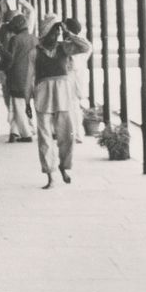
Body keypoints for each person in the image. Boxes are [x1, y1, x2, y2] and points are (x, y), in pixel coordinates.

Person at [33, 15, 92, 189]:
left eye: (58, 32)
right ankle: (50, 173)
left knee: (67, 135)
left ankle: (64, 166)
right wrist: (28, 97)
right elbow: (30, 76)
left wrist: (68, 33)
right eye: (53, 32)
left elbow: (86, 46)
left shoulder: (65, 47)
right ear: (44, 34)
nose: (55, 36)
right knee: (44, 138)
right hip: (43, 96)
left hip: (63, 97)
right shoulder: (35, 51)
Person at [2, 10, 36, 142]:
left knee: (17, 106)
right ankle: (14, 132)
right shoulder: (35, 39)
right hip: (32, 77)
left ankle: (26, 134)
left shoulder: (14, 40)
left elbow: (9, 59)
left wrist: (2, 69)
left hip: (17, 77)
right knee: (22, 105)